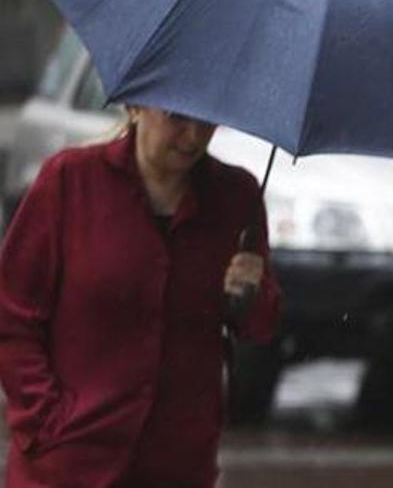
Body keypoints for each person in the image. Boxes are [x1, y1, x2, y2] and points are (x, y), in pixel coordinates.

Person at [0, 106, 281, 487]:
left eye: (207, 120)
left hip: (178, 461)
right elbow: (12, 315)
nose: (193, 136)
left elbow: (259, 325)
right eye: (176, 117)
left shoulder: (236, 197)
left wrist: (252, 292)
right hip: (68, 463)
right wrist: (45, 419)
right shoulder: (70, 180)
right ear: (135, 108)